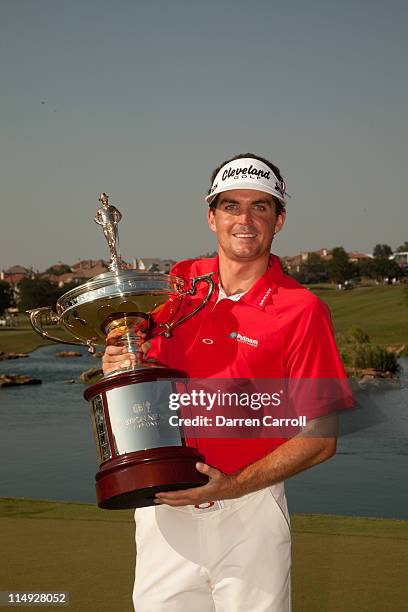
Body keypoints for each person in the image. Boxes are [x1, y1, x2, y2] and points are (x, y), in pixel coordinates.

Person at [102, 153, 353, 611]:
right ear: (211, 216)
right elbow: (143, 384)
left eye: (261, 206)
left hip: (249, 512)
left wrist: (231, 485)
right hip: (163, 510)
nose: (245, 219)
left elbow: (320, 439)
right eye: (231, 206)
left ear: (279, 220)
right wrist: (117, 363)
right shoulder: (177, 286)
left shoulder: (303, 310)